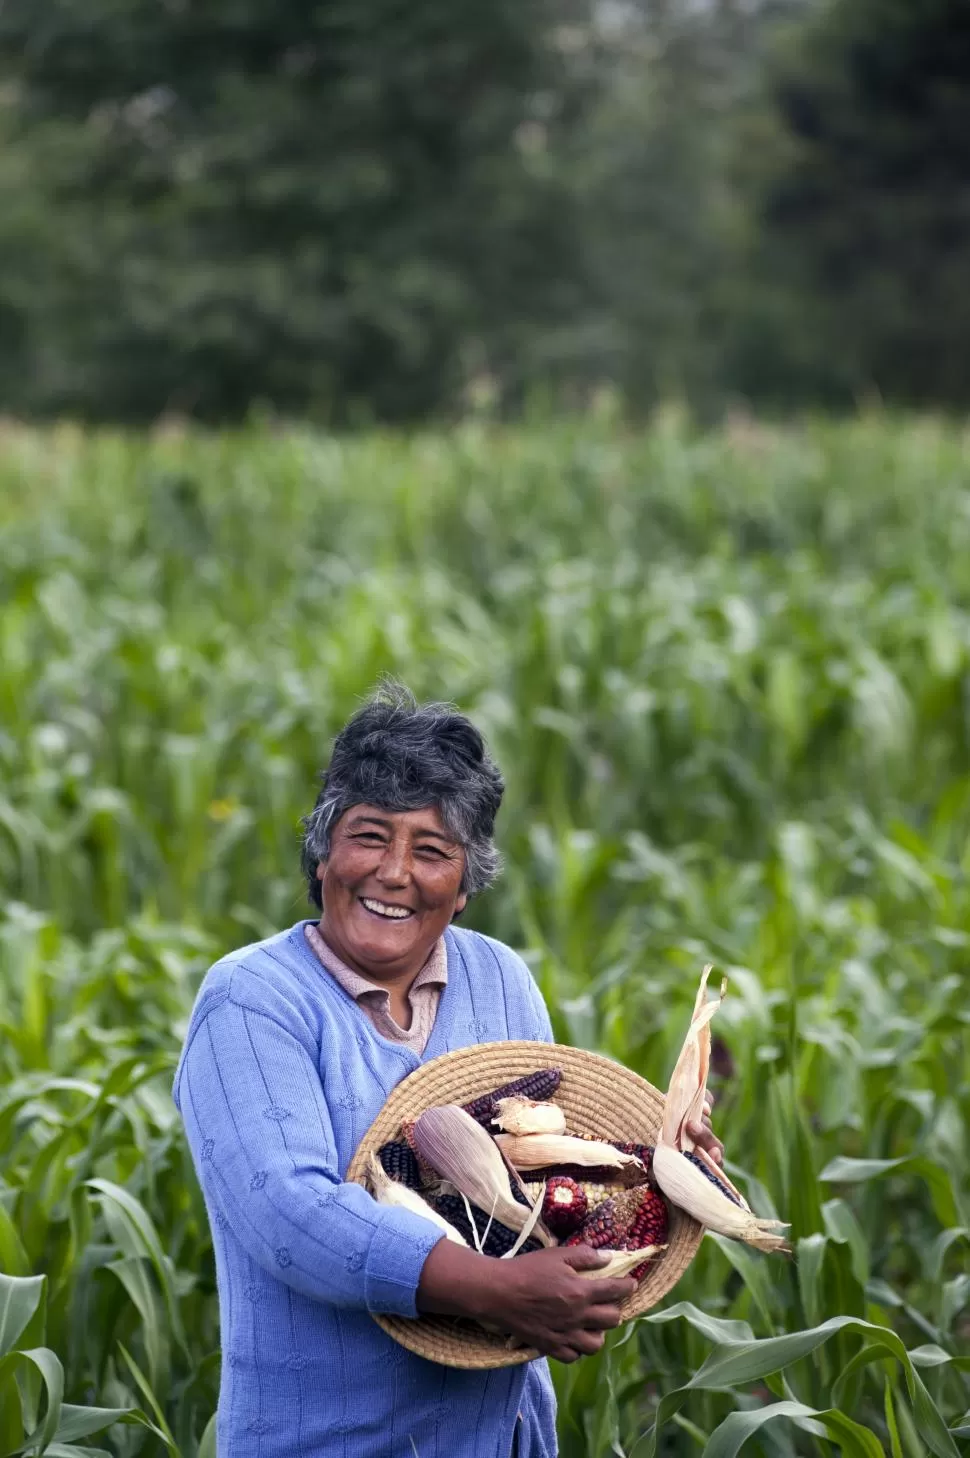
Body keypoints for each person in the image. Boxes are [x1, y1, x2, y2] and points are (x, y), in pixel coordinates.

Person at [174, 684, 723, 1458]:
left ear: (464, 888)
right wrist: (494, 1289)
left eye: (431, 851)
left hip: (504, 1436)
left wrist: (658, 1161)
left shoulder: (499, 978)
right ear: (324, 853)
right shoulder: (252, 999)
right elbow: (289, 1214)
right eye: (370, 836)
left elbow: (548, 1170)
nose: (395, 873)